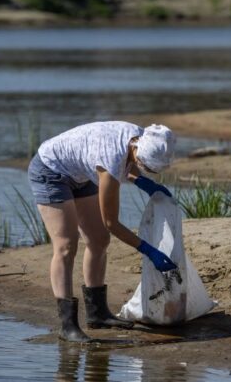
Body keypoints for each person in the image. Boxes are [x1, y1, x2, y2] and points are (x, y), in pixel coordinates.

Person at [28, 121, 178, 342]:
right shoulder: (110, 162)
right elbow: (111, 222)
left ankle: (97, 313)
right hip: (51, 171)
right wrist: (148, 250)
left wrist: (142, 182)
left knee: (98, 240)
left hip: (83, 171)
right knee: (66, 246)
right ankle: (67, 325)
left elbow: (129, 164)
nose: (144, 170)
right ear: (137, 149)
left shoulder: (141, 137)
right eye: (145, 167)